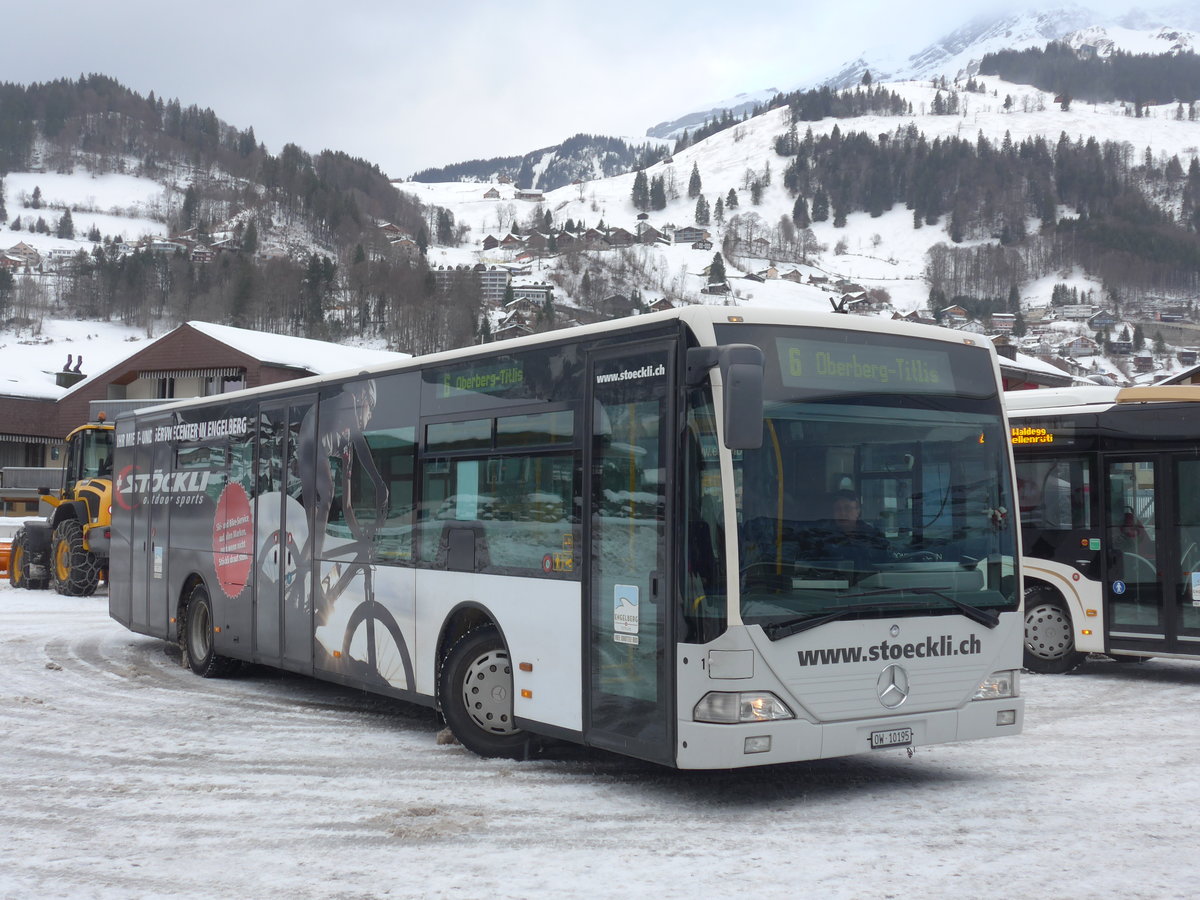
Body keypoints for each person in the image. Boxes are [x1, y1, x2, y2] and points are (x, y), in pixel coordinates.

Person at [810, 489, 890, 569]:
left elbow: (886, 565)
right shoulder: (822, 537)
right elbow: (813, 565)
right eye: (838, 509)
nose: (842, 513)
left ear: (858, 511)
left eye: (847, 508)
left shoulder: (874, 537)